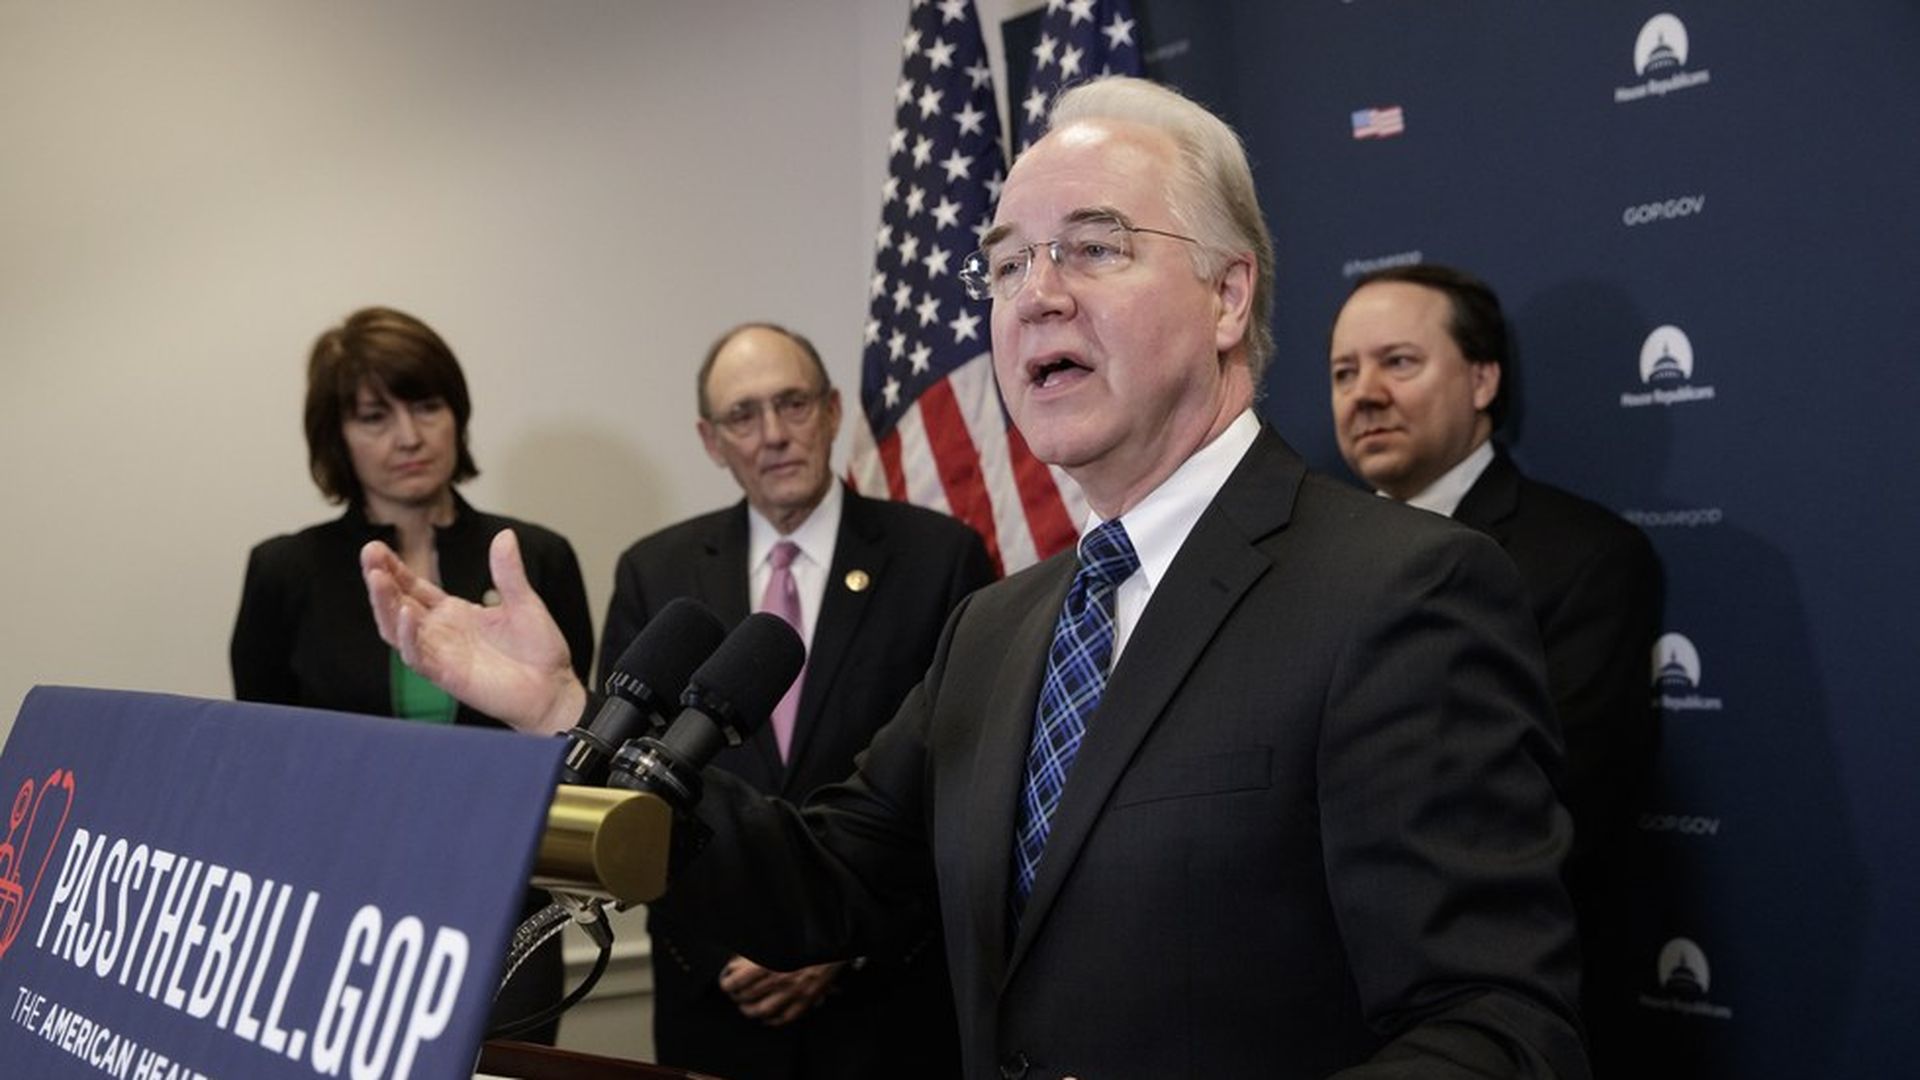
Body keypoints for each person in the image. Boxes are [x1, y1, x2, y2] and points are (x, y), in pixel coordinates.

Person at [363, 78, 1590, 1078]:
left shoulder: (1403, 592)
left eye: (1092, 249)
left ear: (1228, 296)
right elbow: (822, 888)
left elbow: (1495, 1032)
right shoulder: (998, 629)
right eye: (1005, 266)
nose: (1035, 296)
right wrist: (565, 714)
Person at [598, 322, 990, 1079]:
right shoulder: (655, 572)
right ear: (712, 441)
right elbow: (628, 786)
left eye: (793, 404)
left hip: (885, 1011)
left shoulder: (940, 558)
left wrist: (836, 940)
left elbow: (961, 787)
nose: (774, 434)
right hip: (716, 1007)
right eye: (743, 416)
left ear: (833, 410)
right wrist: (729, 946)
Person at [230, 304, 593, 1044]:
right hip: (340, 914)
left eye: (426, 406)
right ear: (336, 436)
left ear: (456, 412)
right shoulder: (285, 572)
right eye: (374, 417)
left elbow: (569, 742)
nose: (409, 436)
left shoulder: (534, 559)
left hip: (511, 910)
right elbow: (270, 768)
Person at [1329, 263, 1662, 1067]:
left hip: (1495, 1020)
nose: (1364, 393)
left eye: (1398, 362)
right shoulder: (1305, 565)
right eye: (1343, 372)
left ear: (1482, 380)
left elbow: (1560, 806)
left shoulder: (1587, 558)